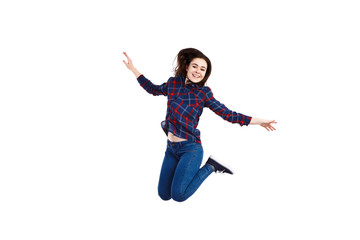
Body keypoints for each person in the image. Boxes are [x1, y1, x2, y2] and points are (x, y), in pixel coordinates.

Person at [122, 48, 276, 202]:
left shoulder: (203, 93)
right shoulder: (173, 83)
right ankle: (204, 167)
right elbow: (152, 89)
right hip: (171, 148)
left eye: (203, 69)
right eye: (195, 66)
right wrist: (133, 69)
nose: (198, 71)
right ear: (187, 67)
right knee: (164, 195)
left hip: (190, 149)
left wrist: (259, 121)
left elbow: (228, 114)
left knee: (179, 195)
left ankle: (211, 166)